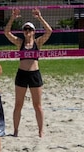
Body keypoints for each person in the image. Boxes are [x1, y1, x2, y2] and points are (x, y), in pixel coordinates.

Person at [3, 8, 52, 137]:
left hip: (34, 75)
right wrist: (13, 17)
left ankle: (41, 131)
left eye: (29, 29)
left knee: (37, 105)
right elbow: (6, 32)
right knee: (18, 104)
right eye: (25, 29)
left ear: (34, 32)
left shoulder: (38, 42)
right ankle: (15, 130)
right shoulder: (20, 43)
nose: (27, 31)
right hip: (22, 74)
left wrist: (40, 17)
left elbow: (49, 31)